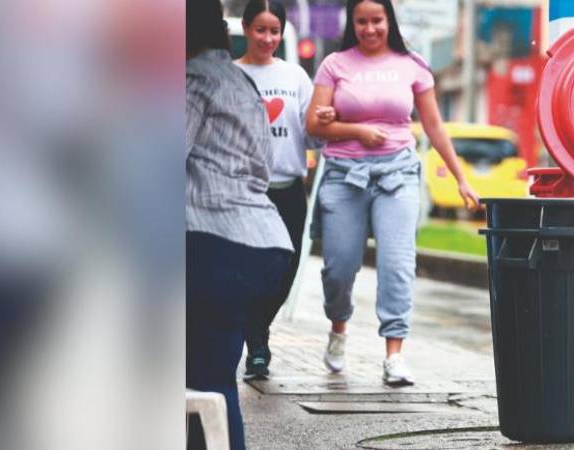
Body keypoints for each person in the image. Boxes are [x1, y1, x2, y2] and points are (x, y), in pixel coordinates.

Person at [306, 0, 479, 386]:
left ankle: (394, 354)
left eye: (377, 21)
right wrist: (355, 130)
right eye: (362, 22)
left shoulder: (412, 64)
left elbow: (434, 126)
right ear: (353, 24)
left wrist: (461, 178)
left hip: (397, 174)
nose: (370, 29)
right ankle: (338, 329)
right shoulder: (334, 64)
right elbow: (314, 126)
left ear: (389, 21)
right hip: (343, 177)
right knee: (339, 268)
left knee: (397, 265)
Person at [186, 0, 293, 448]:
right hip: (266, 246)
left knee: (201, 378)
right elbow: (262, 168)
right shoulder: (244, 82)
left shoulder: (190, 79)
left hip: (216, 244)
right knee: (211, 380)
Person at [232, 0, 322, 380]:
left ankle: (254, 329)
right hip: (243, 190)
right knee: (247, 269)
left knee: (285, 269)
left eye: (274, 31)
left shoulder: (296, 78)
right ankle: (257, 345)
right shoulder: (228, 76)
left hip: (288, 190)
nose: (267, 38)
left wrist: (325, 121)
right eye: (260, 30)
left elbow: (313, 135)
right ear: (247, 29)